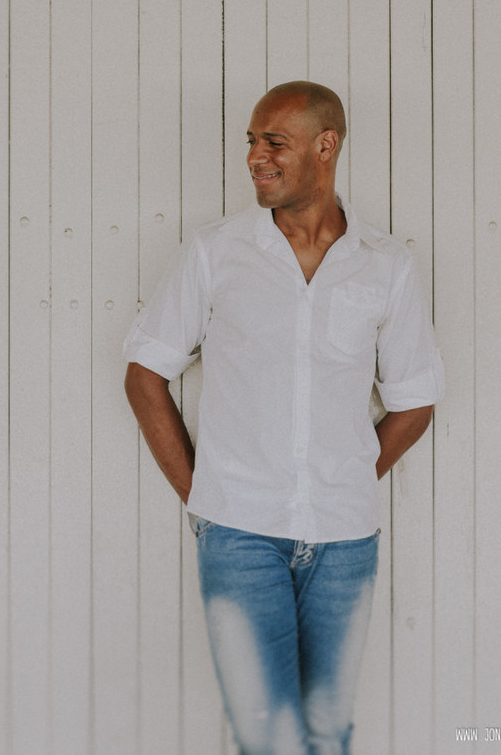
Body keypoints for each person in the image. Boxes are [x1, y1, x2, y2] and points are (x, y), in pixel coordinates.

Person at [123, 82, 444, 754]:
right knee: (267, 737)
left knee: (328, 733)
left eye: (275, 142)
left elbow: (414, 400)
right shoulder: (215, 253)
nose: (254, 158)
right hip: (239, 536)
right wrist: (204, 496)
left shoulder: (386, 266)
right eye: (250, 141)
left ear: (326, 146)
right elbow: (145, 374)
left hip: (345, 539)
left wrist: (351, 472)